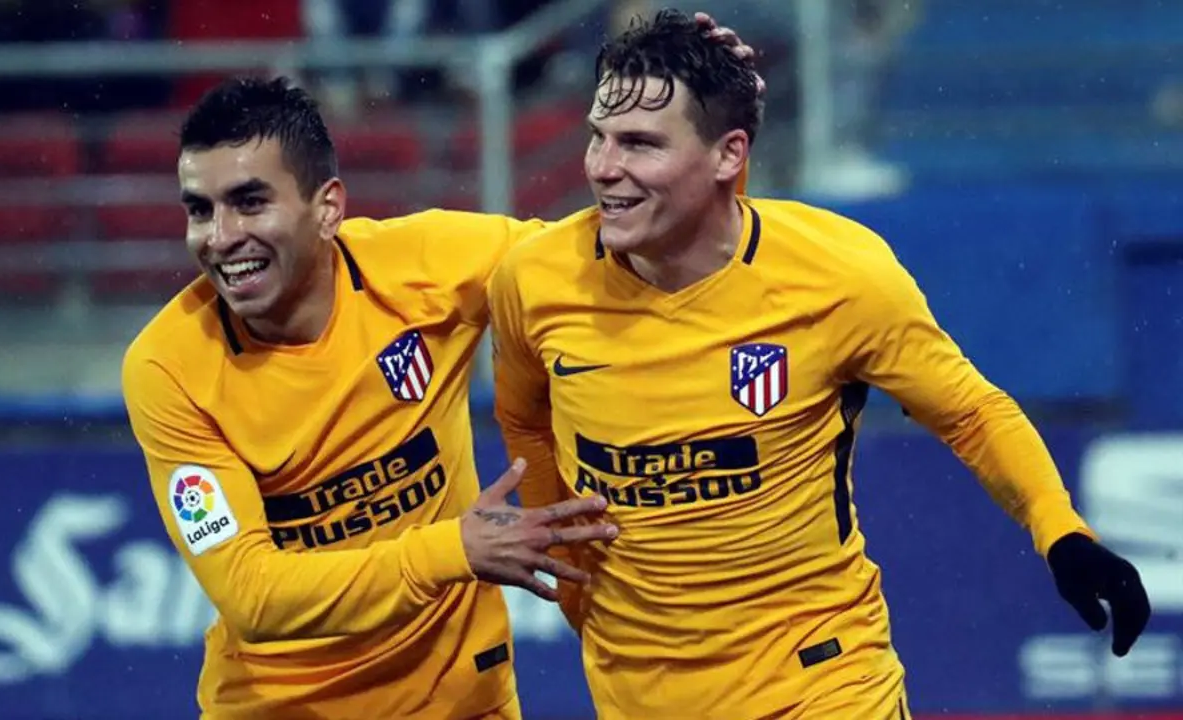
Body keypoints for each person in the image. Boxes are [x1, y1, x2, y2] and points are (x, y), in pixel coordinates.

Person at [487, 9, 1152, 720]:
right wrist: (566, 560)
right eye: (599, 135)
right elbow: (524, 419)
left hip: (822, 685)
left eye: (641, 143)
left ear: (728, 155)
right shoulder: (536, 278)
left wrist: (1060, 531)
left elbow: (971, 412)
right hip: (635, 695)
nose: (603, 167)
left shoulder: (838, 277)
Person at [121, 15, 755, 719]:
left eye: (249, 202)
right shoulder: (168, 366)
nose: (220, 237)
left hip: (463, 701)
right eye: (200, 210)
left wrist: (711, 112)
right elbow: (253, 596)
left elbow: (625, 248)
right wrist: (452, 550)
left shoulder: (427, 264)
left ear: (328, 208)